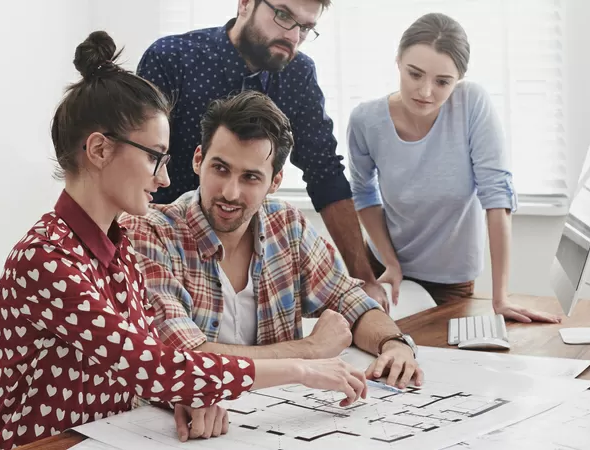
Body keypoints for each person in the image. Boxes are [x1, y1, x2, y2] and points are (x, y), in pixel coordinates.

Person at [0, 31, 369, 450]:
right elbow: (154, 364)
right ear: (98, 149)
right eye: (154, 157)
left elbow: (145, 366)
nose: (164, 178)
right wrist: (306, 367)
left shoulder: (118, 247)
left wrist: (177, 398)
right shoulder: (47, 259)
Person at [119, 90, 423, 392]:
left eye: (250, 177)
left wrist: (395, 345)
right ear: (199, 160)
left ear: (275, 182)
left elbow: (349, 300)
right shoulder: (149, 233)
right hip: (189, 421)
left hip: (278, 420)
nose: (230, 192)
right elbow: (184, 357)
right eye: (220, 169)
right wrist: (310, 351)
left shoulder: (287, 225)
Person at [136, 0, 390, 309]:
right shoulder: (172, 58)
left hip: (250, 262)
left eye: (306, 27)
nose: (293, 36)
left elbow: (325, 173)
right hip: (166, 253)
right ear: (245, 4)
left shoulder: (299, 74)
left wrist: (364, 280)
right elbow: (138, 160)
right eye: (283, 15)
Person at [347, 13, 562, 323]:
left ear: (459, 79)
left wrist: (500, 297)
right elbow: (364, 193)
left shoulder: (471, 104)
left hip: (451, 280)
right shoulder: (366, 120)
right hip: (385, 269)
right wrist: (391, 263)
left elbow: (496, 195)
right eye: (415, 74)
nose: (425, 91)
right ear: (398, 62)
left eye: (442, 82)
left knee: (445, 362)